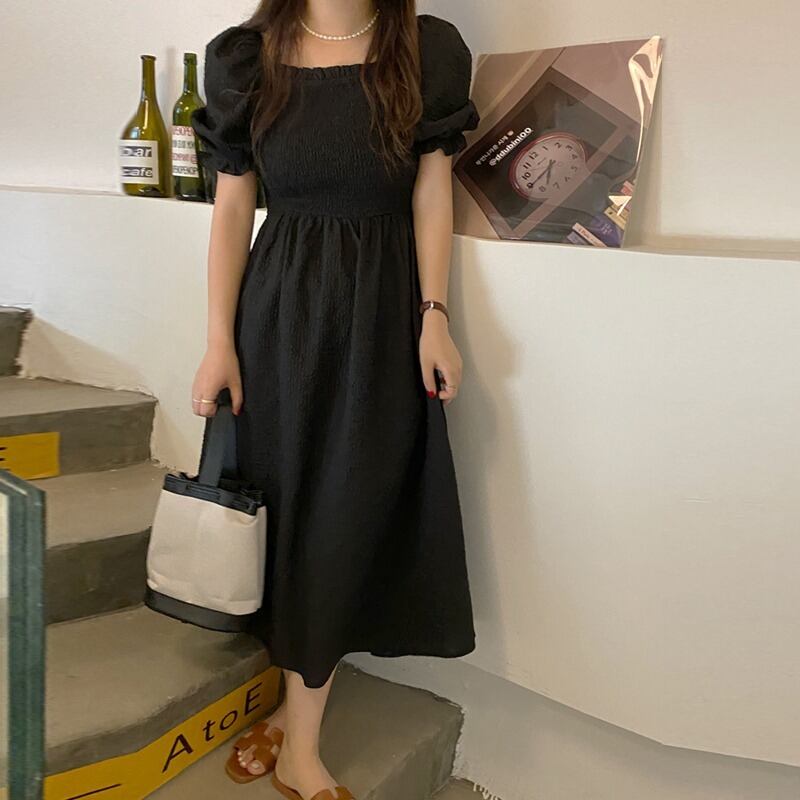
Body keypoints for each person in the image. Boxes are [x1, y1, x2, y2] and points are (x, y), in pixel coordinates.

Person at [190, 2, 479, 798]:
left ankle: (295, 727)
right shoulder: (245, 57)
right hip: (280, 311)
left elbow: (432, 190)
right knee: (287, 507)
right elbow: (232, 207)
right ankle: (300, 738)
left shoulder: (426, 49)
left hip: (383, 312)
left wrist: (435, 315)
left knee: (349, 508)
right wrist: (218, 341)